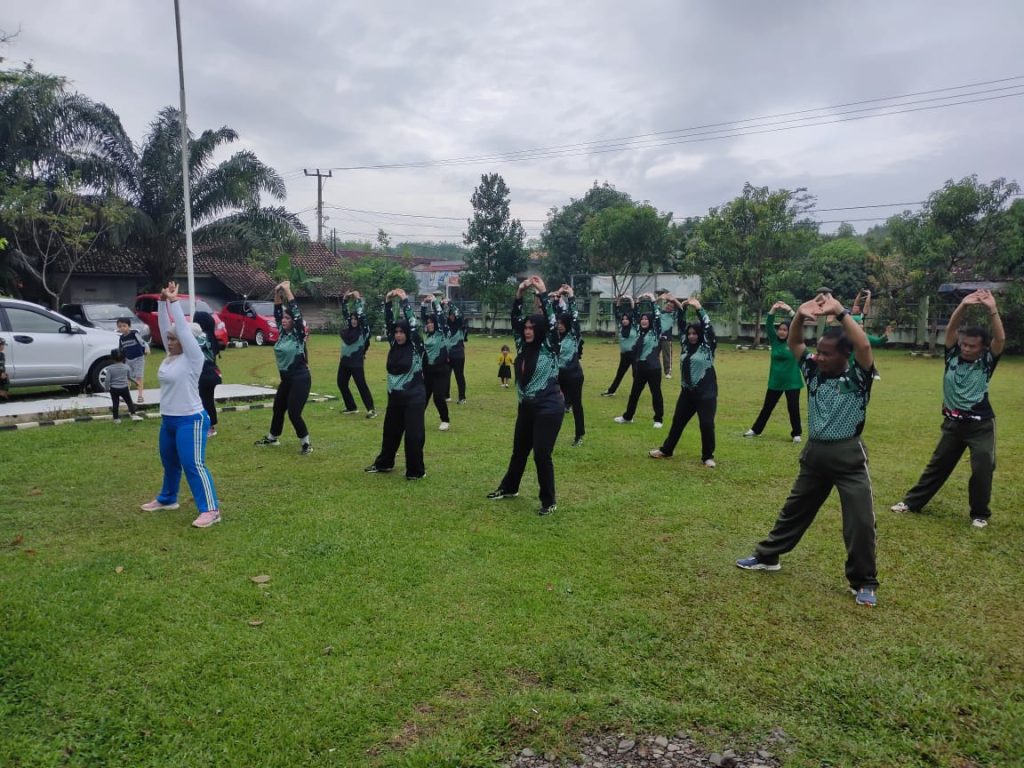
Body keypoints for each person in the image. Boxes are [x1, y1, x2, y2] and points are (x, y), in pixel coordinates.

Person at [736, 293, 878, 607]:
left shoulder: (858, 377)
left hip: (849, 459)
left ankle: (864, 582)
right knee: (794, 511)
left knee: (860, 522)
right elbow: (796, 342)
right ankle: (768, 556)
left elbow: (865, 347)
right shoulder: (813, 371)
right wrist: (800, 315)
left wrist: (841, 313)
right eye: (819, 351)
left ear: (845, 355)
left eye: (827, 354)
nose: (819, 357)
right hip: (815, 457)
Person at [891, 290, 1005, 529]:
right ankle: (912, 503)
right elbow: (952, 329)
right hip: (953, 424)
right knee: (938, 465)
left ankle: (980, 514)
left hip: (981, 425)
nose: (966, 348)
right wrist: (963, 305)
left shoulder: (986, 362)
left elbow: (1000, 339)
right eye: (964, 344)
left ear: (983, 348)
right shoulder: (952, 355)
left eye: (972, 346)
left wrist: (992, 309)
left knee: (983, 467)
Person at [141, 282, 221, 528]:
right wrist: (161, 301)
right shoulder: (171, 357)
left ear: (185, 342)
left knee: (193, 465)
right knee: (170, 462)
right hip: (169, 419)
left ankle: (211, 510)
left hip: (191, 419)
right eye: (168, 339)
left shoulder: (193, 358)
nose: (170, 342)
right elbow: (166, 327)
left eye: (173, 339)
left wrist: (175, 303)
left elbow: (183, 331)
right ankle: (168, 499)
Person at [487, 276, 563, 515]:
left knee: (541, 454)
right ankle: (509, 488)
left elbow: (552, 322)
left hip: (548, 407)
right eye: (526, 328)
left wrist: (543, 293)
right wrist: (519, 294)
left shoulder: (550, 346)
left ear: (539, 330)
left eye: (532, 328)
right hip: (527, 407)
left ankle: (548, 501)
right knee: (519, 450)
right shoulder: (522, 345)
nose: (528, 331)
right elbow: (514, 320)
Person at [648, 297, 718, 467]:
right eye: (690, 333)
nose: (692, 336)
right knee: (677, 422)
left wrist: (699, 309)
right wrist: (682, 307)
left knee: (706, 425)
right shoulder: (685, 345)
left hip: (706, 394)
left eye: (695, 333)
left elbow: (708, 328)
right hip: (687, 393)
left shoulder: (708, 347)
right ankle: (666, 450)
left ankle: (707, 457)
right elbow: (681, 323)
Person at [365, 288, 427, 479]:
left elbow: (414, 324)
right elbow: (389, 322)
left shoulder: (416, 346)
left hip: (414, 398)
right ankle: (384, 464)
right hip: (395, 399)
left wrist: (405, 301)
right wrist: (387, 302)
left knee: (413, 437)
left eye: (402, 332)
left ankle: (416, 471)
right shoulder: (394, 344)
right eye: (397, 332)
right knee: (390, 433)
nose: (399, 335)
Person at [254, 281, 312, 454]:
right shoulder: (282, 333)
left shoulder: (298, 335)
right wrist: (277, 293)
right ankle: (272, 438)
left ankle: (306, 444)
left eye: (288, 319)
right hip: (287, 379)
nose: (284, 320)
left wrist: (287, 290)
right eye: (284, 319)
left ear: (294, 322)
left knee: (294, 412)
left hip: (300, 378)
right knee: (278, 407)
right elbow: (277, 311)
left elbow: (297, 313)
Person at [744, 301, 803, 442]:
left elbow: (798, 324)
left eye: (785, 330)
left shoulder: (794, 342)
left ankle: (796, 434)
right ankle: (756, 430)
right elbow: (769, 325)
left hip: (792, 382)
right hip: (775, 382)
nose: (782, 332)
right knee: (767, 407)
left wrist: (789, 309)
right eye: (780, 329)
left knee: (793, 408)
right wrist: (773, 309)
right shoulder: (775, 341)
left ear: (790, 332)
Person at [613, 292, 665, 429]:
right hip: (641, 368)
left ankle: (658, 419)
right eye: (642, 319)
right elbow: (634, 314)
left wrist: (652, 301)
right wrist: (634, 301)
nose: (644, 321)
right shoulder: (638, 331)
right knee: (634, 393)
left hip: (653, 369)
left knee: (656, 393)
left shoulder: (655, 332)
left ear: (650, 321)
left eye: (646, 319)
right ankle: (628, 417)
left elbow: (657, 317)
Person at [552, 284, 585, 447]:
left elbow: (574, 316)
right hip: (558, 376)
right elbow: (550, 315)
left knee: (577, 406)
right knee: (554, 405)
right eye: (558, 322)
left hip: (574, 376)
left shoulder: (573, 335)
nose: (559, 325)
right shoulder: (555, 336)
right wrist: (557, 297)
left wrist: (571, 296)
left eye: (561, 322)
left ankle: (579, 435)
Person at [337, 290, 376, 418]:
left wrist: (358, 299)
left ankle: (371, 409)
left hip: (356, 363)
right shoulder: (348, 330)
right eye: (352, 319)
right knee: (341, 383)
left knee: (361, 385)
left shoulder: (363, 331)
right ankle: (351, 407)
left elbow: (361, 315)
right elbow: (345, 313)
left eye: (356, 319)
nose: (354, 321)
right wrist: (345, 300)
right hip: (344, 362)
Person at [421, 296, 451, 431]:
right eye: (428, 323)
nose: (429, 324)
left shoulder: (442, 334)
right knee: (422, 398)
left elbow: (441, 318)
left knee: (438, 398)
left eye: (431, 322)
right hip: (428, 372)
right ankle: (415, 419)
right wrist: (423, 304)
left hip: (441, 371)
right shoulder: (427, 335)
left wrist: (435, 302)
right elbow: (422, 318)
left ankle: (445, 420)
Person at [600, 296, 638, 397]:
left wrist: (630, 299)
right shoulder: (620, 326)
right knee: (620, 373)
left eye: (626, 319)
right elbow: (616, 312)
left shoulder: (634, 326)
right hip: (624, 355)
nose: (624, 320)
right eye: (623, 319)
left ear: (630, 320)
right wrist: (619, 301)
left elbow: (634, 311)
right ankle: (611, 391)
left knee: (636, 374)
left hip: (634, 354)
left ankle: (635, 393)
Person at [193, 311, 222, 437]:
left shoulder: (202, 336)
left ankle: (208, 426)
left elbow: (192, 343)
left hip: (205, 373)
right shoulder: (211, 335)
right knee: (207, 399)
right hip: (210, 373)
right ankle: (210, 425)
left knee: (203, 400)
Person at [117, 317, 149, 404]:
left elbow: (142, 342)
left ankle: (140, 396)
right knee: (127, 377)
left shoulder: (134, 334)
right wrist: (120, 359)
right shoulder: (121, 338)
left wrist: (146, 349)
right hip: (128, 359)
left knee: (139, 377)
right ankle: (126, 396)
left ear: (129, 326)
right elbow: (121, 349)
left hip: (138, 358)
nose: (122, 328)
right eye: (120, 326)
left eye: (124, 326)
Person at [443, 297, 468, 403]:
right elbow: (440, 316)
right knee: (446, 376)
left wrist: (449, 303)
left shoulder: (459, 325)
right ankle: (446, 396)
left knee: (459, 376)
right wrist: (440, 304)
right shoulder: (446, 327)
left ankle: (462, 398)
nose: (452, 316)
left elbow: (459, 314)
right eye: (450, 315)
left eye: (453, 315)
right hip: (447, 355)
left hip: (458, 354)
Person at [106, 350, 143, 423]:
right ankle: (133, 415)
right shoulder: (126, 367)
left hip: (114, 389)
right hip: (124, 388)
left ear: (112, 357)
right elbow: (129, 377)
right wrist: (136, 382)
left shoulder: (110, 368)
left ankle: (116, 419)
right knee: (129, 402)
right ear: (124, 358)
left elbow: (107, 380)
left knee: (115, 403)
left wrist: (107, 388)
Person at [656, 288, 673, 379]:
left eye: (670, 306)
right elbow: (653, 305)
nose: (668, 307)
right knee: (654, 355)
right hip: (657, 337)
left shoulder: (673, 315)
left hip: (667, 338)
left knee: (666, 356)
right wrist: (659, 298)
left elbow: (681, 307)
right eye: (667, 305)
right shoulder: (660, 312)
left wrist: (671, 298)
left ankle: (668, 372)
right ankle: (655, 369)